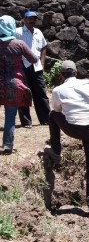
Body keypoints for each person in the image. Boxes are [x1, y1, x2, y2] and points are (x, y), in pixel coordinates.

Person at [45, 60, 89, 217]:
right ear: (76, 72)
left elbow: (57, 110)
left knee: (52, 115)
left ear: (61, 75)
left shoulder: (57, 90)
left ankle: (56, 151)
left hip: (73, 129)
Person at [0, 15, 38, 154]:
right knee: (10, 115)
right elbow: (33, 59)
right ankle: (8, 145)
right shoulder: (19, 44)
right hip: (13, 85)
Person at [16, 11, 51, 128]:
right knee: (24, 93)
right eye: (30, 19)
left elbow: (44, 47)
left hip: (37, 68)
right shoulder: (18, 32)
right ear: (24, 19)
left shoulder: (38, 32)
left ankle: (46, 119)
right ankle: (26, 122)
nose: (32, 21)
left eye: (34, 19)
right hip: (23, 67)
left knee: (41, 93)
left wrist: (42, 63)